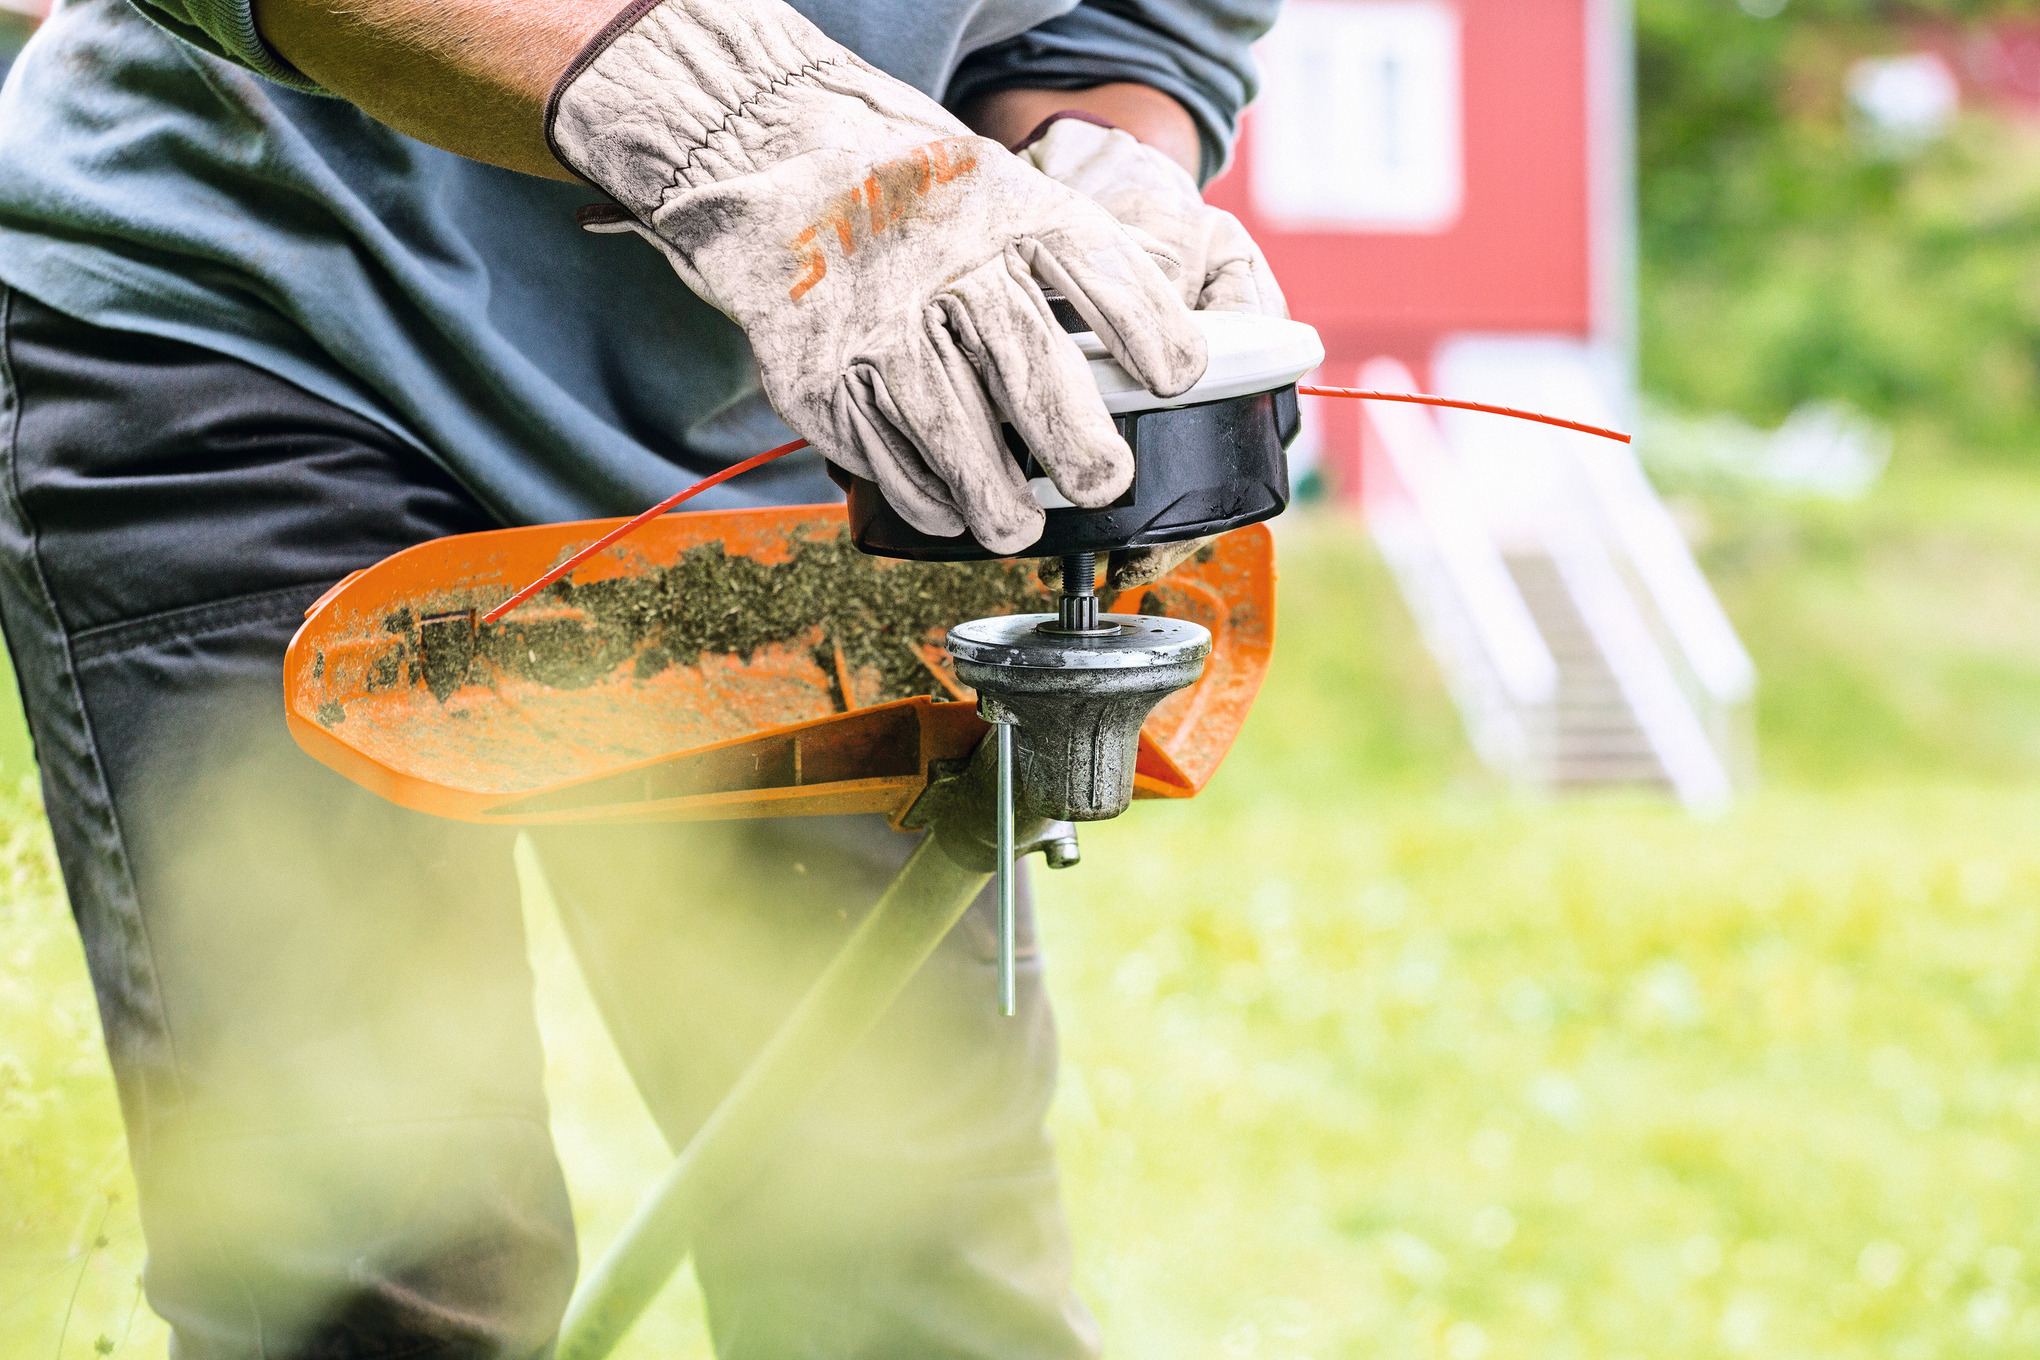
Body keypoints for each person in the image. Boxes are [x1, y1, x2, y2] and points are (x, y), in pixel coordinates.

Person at [0, 0, 1286, 1355]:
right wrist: (727, 116)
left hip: (777, 424)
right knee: (373, 1270)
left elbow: (1120, 30)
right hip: (261, 322)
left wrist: (1099, 163)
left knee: (903, 1256)